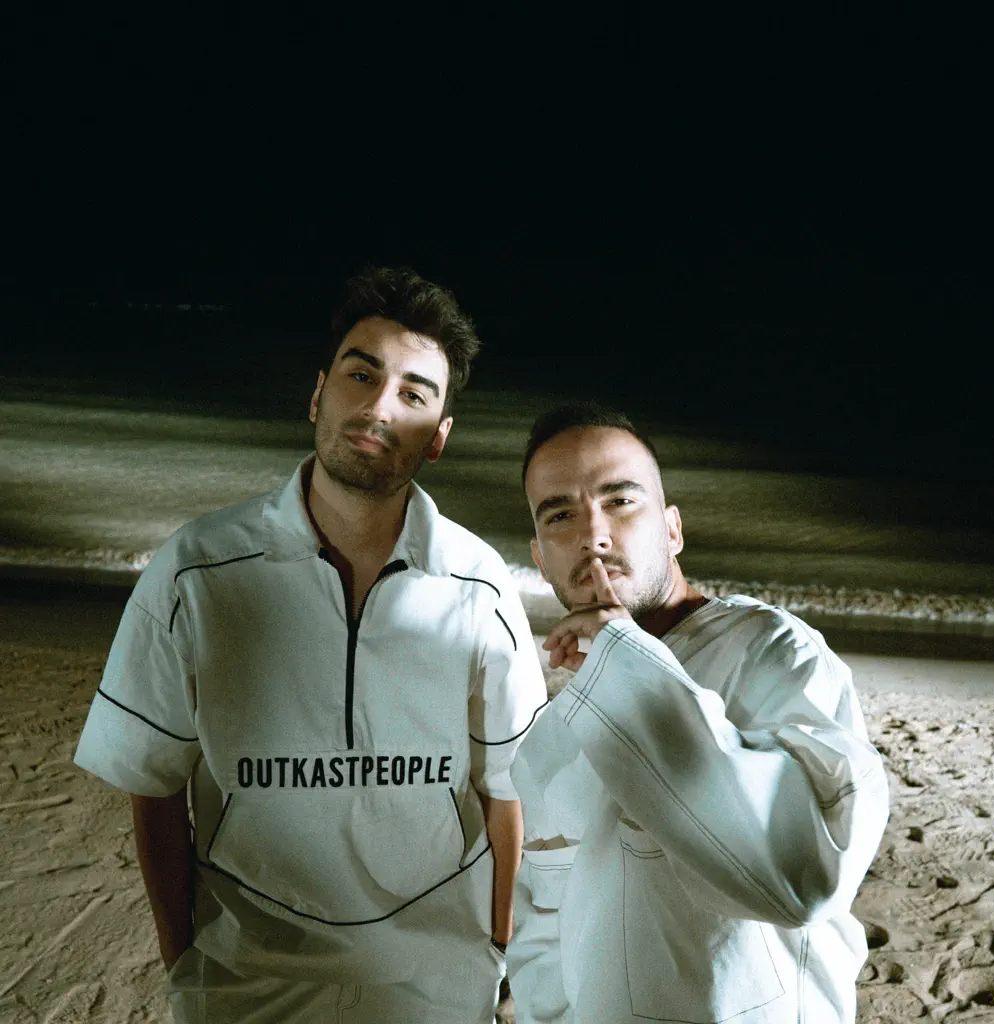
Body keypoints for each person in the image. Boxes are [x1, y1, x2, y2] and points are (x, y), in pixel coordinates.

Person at [73, 266, 548, 1023]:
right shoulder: (199, 571)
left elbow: (507, 791)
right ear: (318, 394)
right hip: (245, 980)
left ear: (438, 438)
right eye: (362, 375)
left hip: (434, 981)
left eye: (414, 394)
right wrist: (184, 963)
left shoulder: (479, 586)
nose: (380, 406)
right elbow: (154, 783)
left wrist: (499, 955)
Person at [506, 404, 889, 1024]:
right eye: (560, 515)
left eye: (620, 501)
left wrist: (625, 665)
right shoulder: (556, 731)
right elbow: (547, 929)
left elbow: (803, 879)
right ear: (540, 557)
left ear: (673, 530)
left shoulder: (774, 654)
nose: (593, 535)